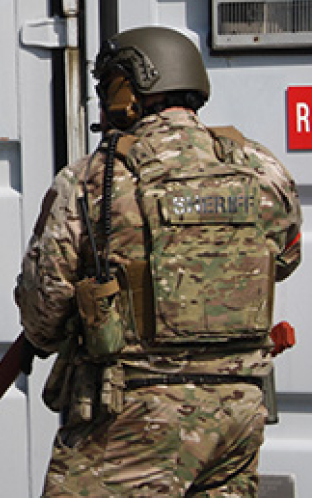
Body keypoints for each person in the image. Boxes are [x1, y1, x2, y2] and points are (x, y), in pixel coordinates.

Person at [16, 26, 302, 497]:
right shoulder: (260, 167)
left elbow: (45, 308)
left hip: (136, 415)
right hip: (239, 411)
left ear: (128, 86)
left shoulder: (92, 178)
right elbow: (284, 259)